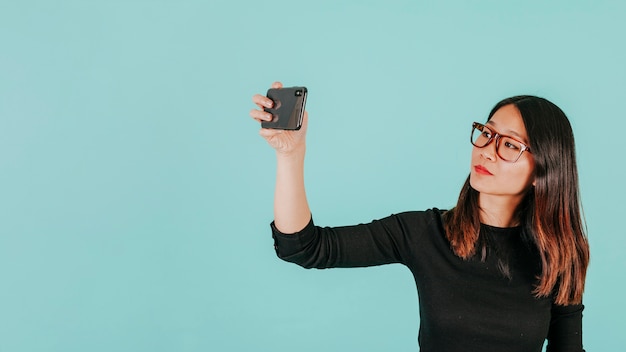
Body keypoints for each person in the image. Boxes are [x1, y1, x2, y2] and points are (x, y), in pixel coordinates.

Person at [250, 81, 590, 352]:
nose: (487, 149)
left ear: (541, 172)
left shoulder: (560, 255)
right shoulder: (425, 233)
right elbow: (303, 247)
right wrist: (291, 155)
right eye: (487, 133)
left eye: (511, 145)